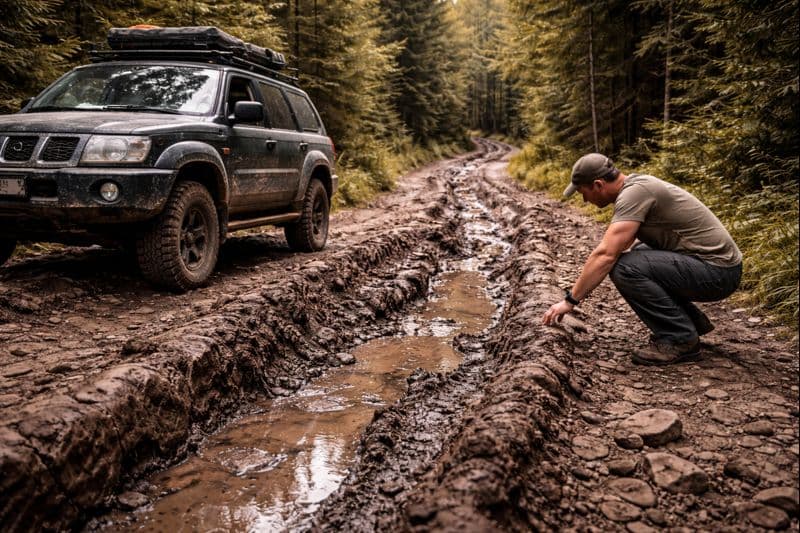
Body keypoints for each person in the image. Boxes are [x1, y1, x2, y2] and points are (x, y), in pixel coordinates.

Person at [541, 153, 742, 365]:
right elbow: (621, 246)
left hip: (719, 272)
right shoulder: (635, 187)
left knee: (625, 268)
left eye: (584, 192)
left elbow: (606, 255)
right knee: (635, 255)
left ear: (598, 185)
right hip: (714, 265)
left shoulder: (634, 194)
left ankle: (680, 339)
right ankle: (689, 323)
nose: (584, 200)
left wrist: (570, 300)